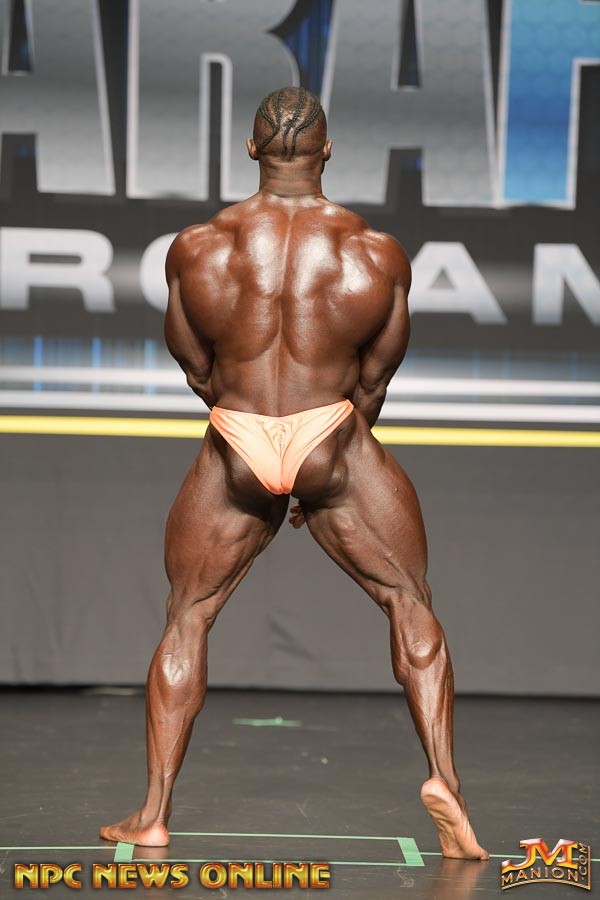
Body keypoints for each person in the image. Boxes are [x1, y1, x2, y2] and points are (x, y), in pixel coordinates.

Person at [100, 86, 488, 860]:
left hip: (236, 433)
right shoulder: (375, 253)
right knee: (408, 600)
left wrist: (252, 433)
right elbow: (373, 381)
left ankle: (153, 813)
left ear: (252, 149)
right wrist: (324, 462)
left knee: (188, 615)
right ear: (327, 151)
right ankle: (446, 782)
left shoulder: (197, 248)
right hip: (330, 432)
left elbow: (195, 367)